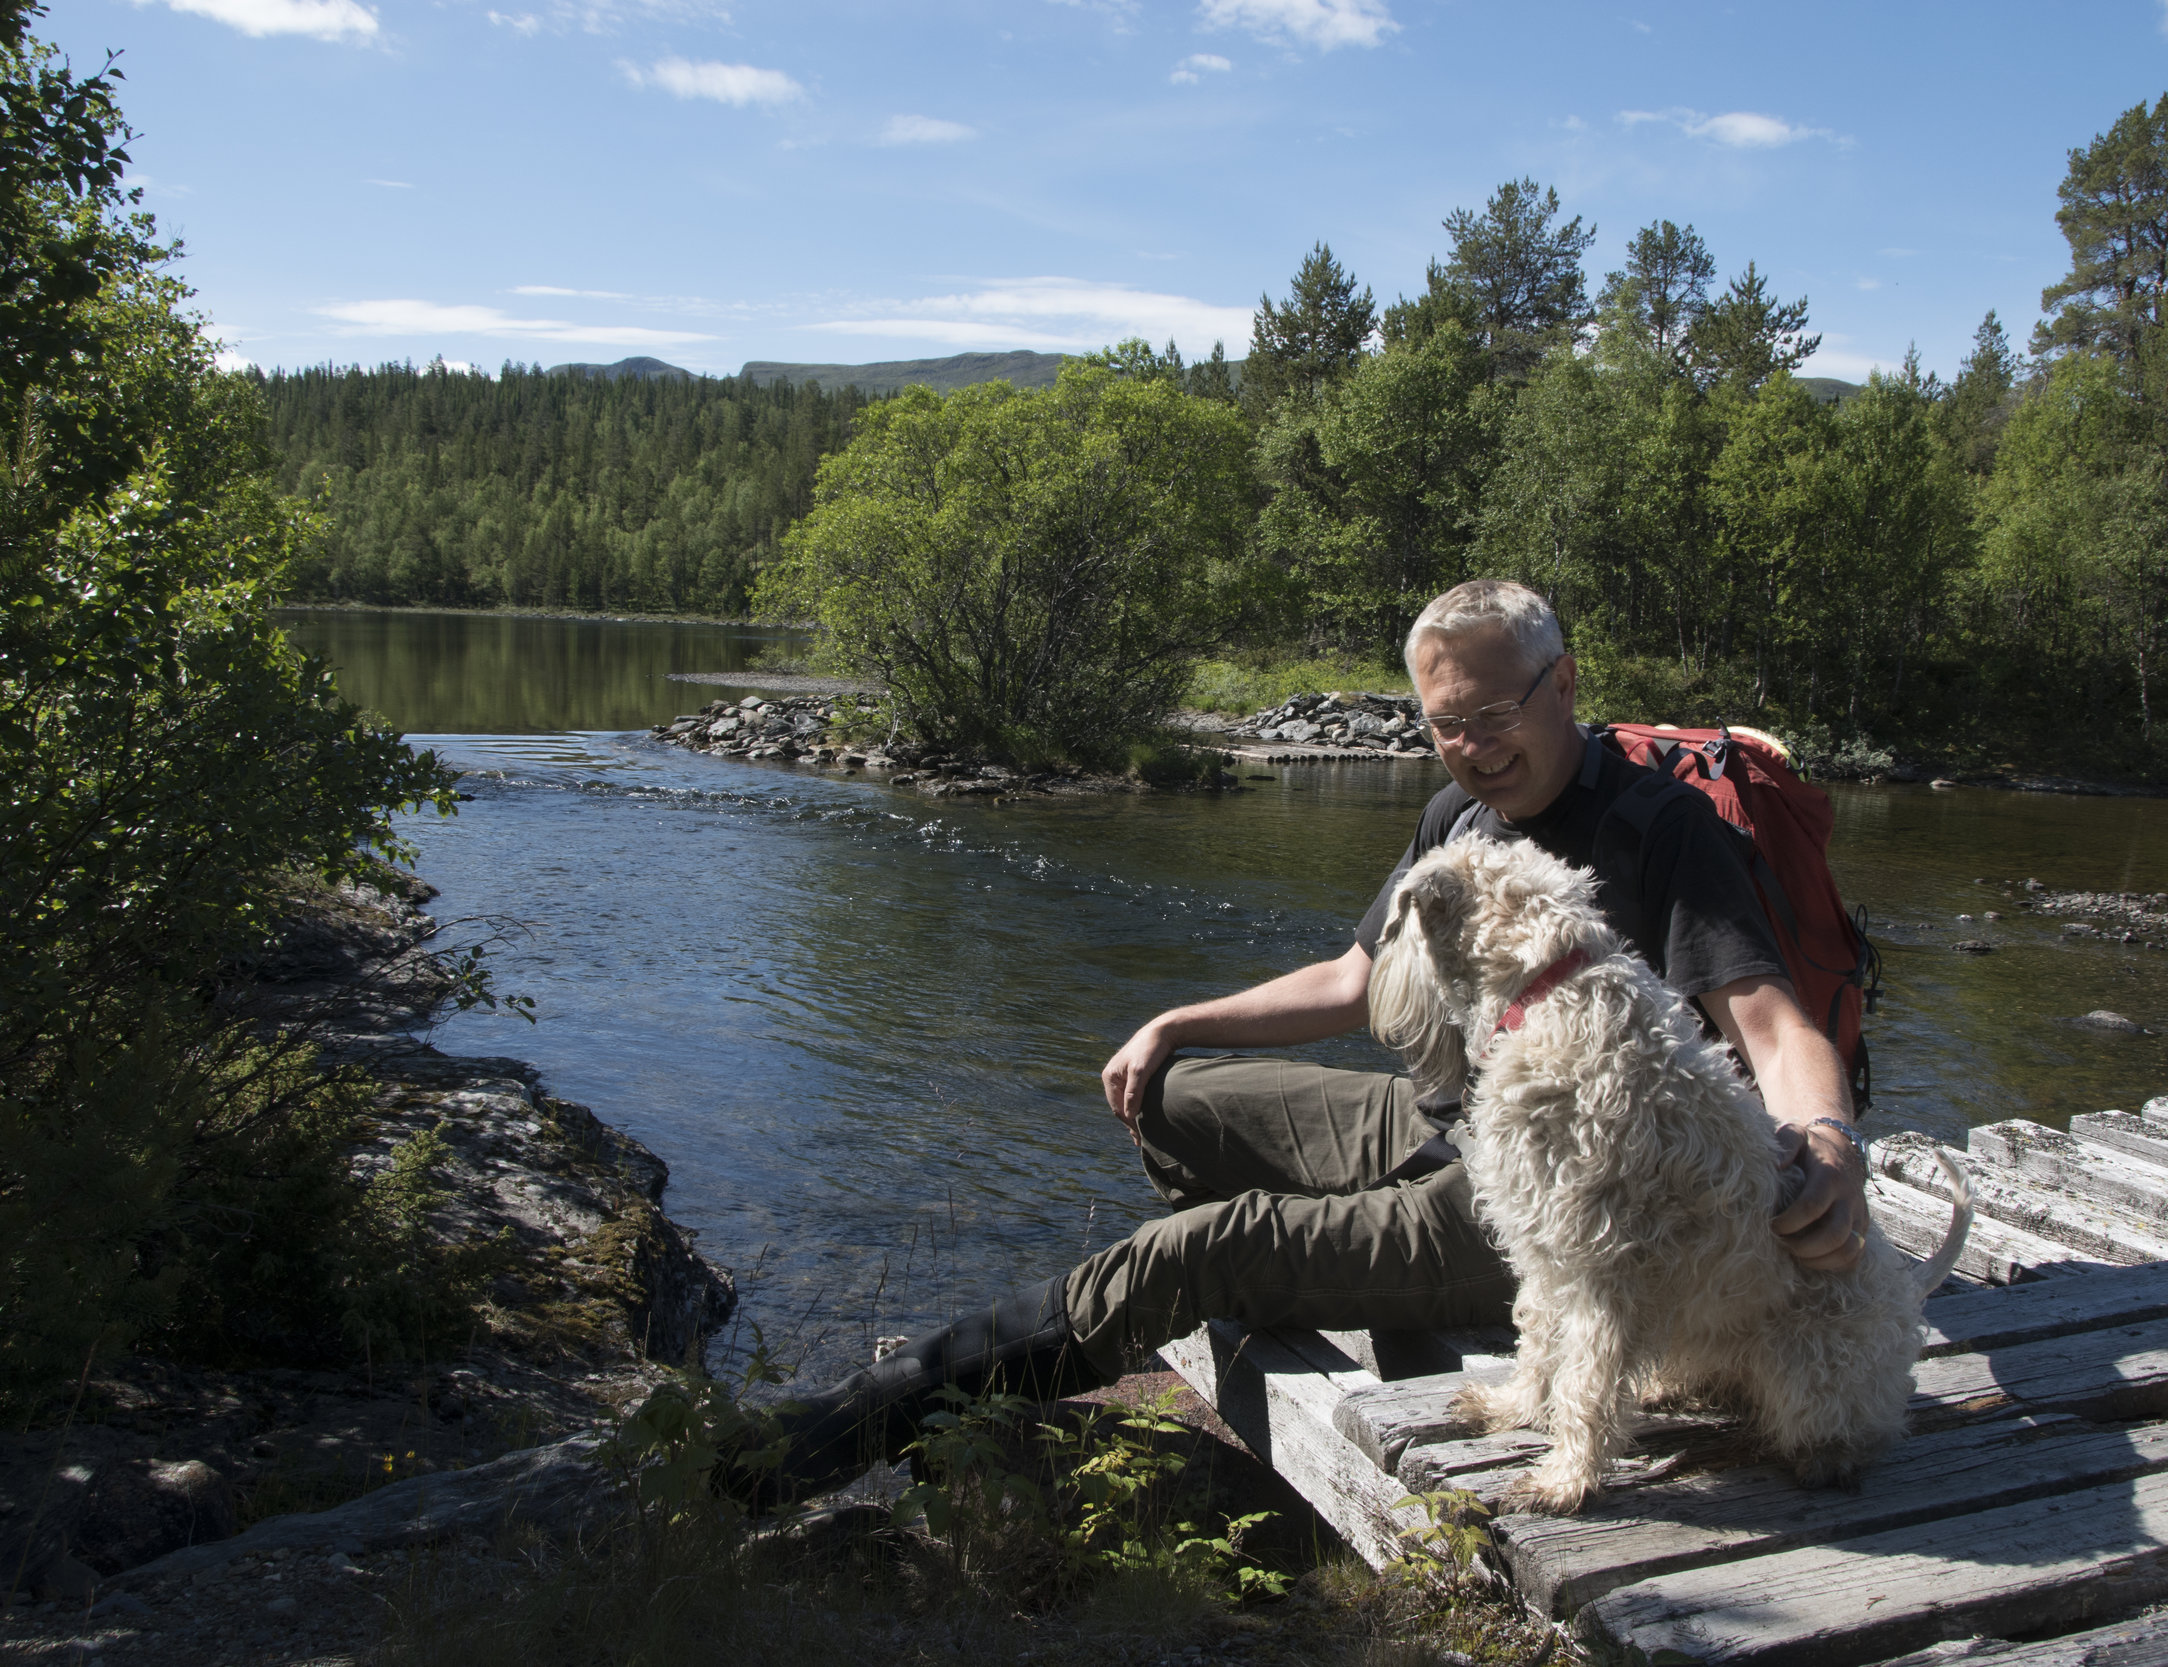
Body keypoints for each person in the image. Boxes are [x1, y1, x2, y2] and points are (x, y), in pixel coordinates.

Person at [755, 580, 1870, 1498]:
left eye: (1493, 715)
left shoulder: (1660, 828)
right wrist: (1170, 1022)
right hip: (1443, 1118)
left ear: (1563, 685)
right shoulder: (1459, 817)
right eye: (1445, 724)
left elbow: (1771, 1022)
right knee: (1175, 1098)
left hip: (1549, 1211)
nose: (1473, 748)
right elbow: (1354, 977)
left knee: (1192, 1248)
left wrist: (1822, 1139)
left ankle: (829, 1438)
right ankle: (1277, 1294)